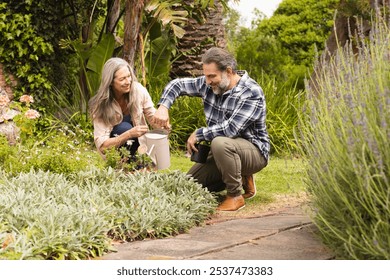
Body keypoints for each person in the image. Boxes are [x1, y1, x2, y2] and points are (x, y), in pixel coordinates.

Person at [153, 47, 270, 211]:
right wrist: (163, 107)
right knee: (190, 185)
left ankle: (235, 196)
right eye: (206, 76)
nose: (207, 81)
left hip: (254, 152)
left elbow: (231, 129)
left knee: (220, 143)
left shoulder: (250, 92)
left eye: (212, 76)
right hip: (223, 152)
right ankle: (239, 176)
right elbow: (177, 85)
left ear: (228, 71)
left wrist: (199, 133)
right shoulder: (209, 84)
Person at [88, 57, 159, 162]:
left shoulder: (138, 90)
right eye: (122, 79)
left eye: (129, 76)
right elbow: (102, 146)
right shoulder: (101, 105)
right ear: (111, 82)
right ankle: (123, 166)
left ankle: (140, 163)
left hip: (141, 148)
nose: (128, 82)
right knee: (123, 128)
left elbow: (152, 115)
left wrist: (162, 122)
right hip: (115, 154)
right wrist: (129, 134)